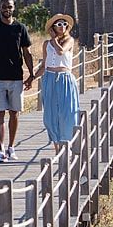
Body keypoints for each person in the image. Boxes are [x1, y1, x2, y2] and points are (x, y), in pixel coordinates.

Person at [0, 0, 35, 162]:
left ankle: (11, 147)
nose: (7, 9)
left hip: (16, 77)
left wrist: (31, 74)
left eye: (10, 7)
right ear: (0, 8)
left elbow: (26, 52)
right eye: (4, 6)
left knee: (14, 113)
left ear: (14, 8)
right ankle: (1, 149)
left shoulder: (20, 28)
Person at [38, 13, 80, 152]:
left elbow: (61, 52)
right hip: (49, 78)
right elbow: (44, 65)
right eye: (58, 24)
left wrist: (54, 40)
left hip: (65, 78)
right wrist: (32, 78)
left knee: (67, 113)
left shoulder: (70, 40)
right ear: (53, 27)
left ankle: (66, 145)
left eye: (64, 24)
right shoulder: (46, 44)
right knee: (50, 115)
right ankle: (57, 147)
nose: (62, 27)